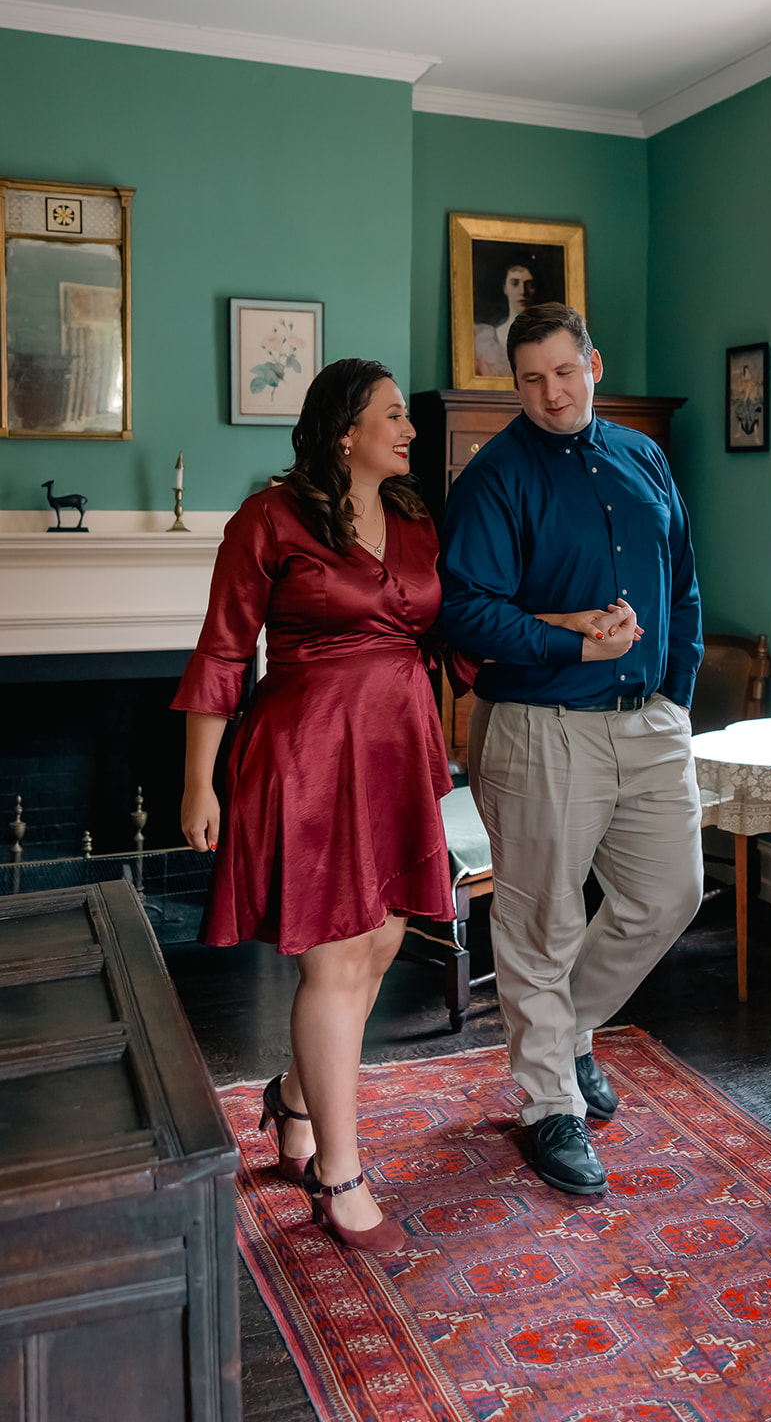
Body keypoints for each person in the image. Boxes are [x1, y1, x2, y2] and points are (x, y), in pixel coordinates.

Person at [175, 358, 467, 1253]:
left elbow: (449, 630)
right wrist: (198, 779)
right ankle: (336, 1173)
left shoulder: (416, 519)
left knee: (380, 939)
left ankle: (294, 1097)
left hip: (397, 743)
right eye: (392, 416)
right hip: (308, 750)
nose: (409, 429)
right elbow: (225, 650)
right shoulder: (268, 517)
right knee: (338, 955)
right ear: (345, 430)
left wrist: (568, 633)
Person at [438, 302, 705, 1197]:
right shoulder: (494, 477)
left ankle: (567, 1033)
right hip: (540, 727)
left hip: (650, 720)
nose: (550, 394)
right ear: (514, 386)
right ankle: (548, 1103)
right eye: (529, 379)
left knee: (669, 893)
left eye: (563, 371)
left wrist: (677, 689)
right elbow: (463, 611)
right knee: (539, 922)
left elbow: (685, 579)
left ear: (593, 364)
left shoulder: (644, 456)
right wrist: (573, 641)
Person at [473, 259, 538, 376]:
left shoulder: (545, 336)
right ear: (505, 288)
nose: (523, 291)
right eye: (515, 283)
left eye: (529, 285)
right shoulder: (485, 339)